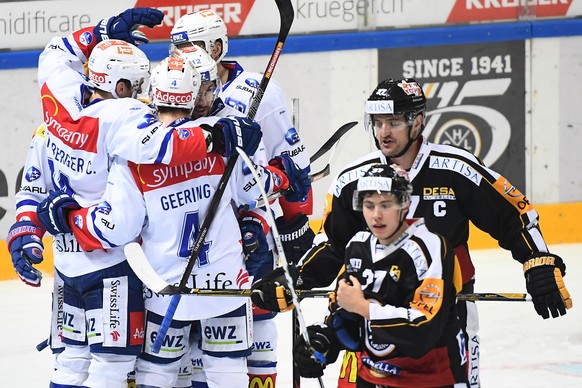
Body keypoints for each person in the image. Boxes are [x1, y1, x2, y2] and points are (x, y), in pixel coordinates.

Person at [251, 78, 573, 387]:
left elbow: (513, 214)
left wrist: (538, 258)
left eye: (393, 122)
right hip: (369, 315)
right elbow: (335, 245)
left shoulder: (455, 168)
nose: (383, 132)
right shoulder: (354, 179)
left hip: (446, 316)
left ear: (417, 123)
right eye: (377, 122)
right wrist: (295, 280)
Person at [7, 8, 264, 387]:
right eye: (137, 85)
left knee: (71, 363)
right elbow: (164, 144)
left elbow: (54, 52)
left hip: (69, 263)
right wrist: (218, 136)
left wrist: (102, 30)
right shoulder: (125, 122)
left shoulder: (54, 102)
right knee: (118, 368)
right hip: (117, 266)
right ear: (124, 88)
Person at [35, 53, 311, 388]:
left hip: (166, 288)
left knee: (157, 374)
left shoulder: (135, 158)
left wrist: (69, 217)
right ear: (195, 96)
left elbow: (117, 226)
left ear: (152, 95)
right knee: (229, 373)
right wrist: (284, 178)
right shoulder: (221, 139)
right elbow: (254, 187)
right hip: (226, 283)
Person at [169, 9, 314, 386]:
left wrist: (293, 224)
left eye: (193, 48)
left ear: (217, 46)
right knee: (198, 337)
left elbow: (293, 163)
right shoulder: (171, 90)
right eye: (177, 50)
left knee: (257, 315)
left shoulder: (256, 91)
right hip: (193, 232)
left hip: (250, 224)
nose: (183, 58)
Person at [293, 163, 469, 387]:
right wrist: (324, 340)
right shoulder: (357, 246)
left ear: (404, 204)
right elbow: (347, 313)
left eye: (386, 205)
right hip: (372, 377)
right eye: (369, 205)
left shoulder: (429, 247)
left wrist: (364, 308)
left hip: (429, 378)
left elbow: (424, 328)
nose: (376, 215)